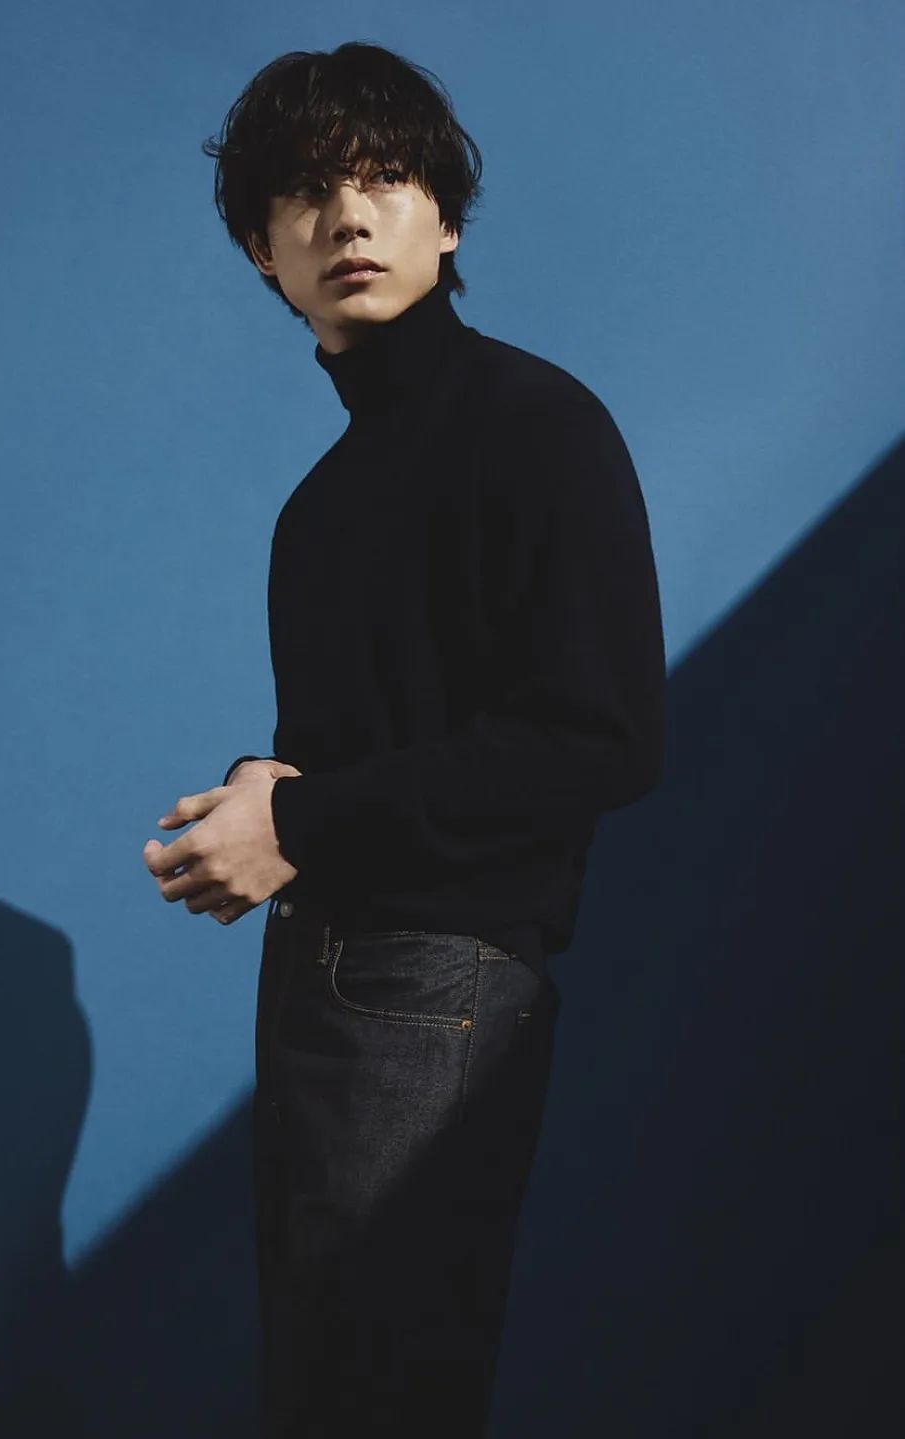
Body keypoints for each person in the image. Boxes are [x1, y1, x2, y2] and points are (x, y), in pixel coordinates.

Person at [142, 39, 666, 1438]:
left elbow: (602, 738)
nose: (348, 217)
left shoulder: (536, 424)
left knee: (379, 1395)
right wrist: (268, 788)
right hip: (324, 976)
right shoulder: (321, 504)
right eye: (307, 192)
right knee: (325, 1389)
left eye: (383, 178)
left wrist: (298, 823)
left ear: (447, 219)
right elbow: (387, 739)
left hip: (440, 979)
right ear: (262, 252)